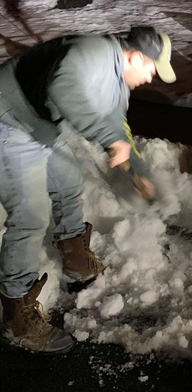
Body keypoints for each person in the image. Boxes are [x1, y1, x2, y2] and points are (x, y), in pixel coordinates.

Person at [0, 25, 176, 354]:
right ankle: (16, 316)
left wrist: (139, 171)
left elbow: (115, 125)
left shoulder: (118, 82)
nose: (152, 78)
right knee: (30, 215)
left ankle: (75, 260)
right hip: (9, 122)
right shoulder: (91, 52)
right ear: (136, 57)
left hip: (40, 127)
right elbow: (62, 87)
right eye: (152, 69)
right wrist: (108, 140)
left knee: (68, 179)